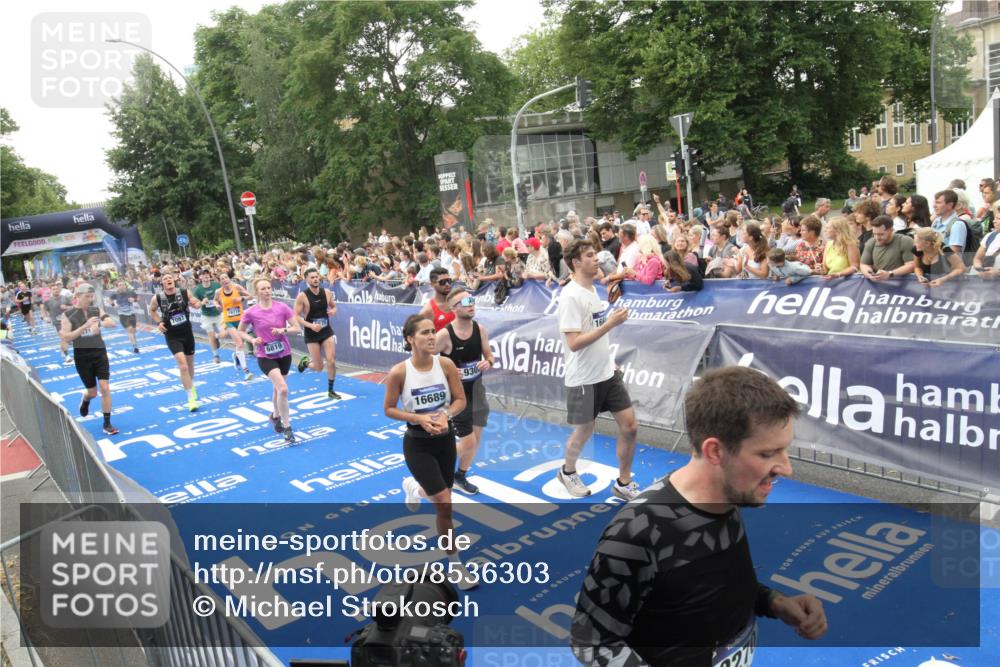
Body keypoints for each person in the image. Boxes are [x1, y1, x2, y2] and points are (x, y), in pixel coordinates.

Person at [570, 366, 827, 666]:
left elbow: (710, 588)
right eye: (768, 454)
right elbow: (592, 644)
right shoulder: (638, 532)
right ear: (715, 451)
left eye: (784, 451)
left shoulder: (728, 496)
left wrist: (775, 603)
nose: (786, 468)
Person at [382, 314, 475, 589]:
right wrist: (418, 418)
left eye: (433, 331)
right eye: (424, 333)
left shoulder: (445, 364)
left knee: (441, 500)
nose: (432, 337)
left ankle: (413, 488)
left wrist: (445, 414)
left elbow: (460, 400)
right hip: (417, 443)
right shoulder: (400, 371)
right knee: (445, 504)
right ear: (410, 339)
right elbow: (388, 409)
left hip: (445, 442)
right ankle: (456, 565)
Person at [555, 239, 640, 501]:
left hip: (607, 373)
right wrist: (610, 324)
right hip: (583, 378)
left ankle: (624, 482)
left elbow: (594, 331)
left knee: (630, 426)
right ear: (576, 262)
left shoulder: (592, 289)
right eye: (590, 255)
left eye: (595, 254)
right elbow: (574, 342)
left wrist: (609, 359)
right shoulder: (570, 296)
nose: (596, 259)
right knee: (585, 430)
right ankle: (567, 472)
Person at [435, 288, 495, 495]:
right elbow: (424, 360)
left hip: (478, 391)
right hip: (456, 396)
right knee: (468, 442)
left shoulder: (480, 329)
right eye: (466, 301)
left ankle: (460, 475)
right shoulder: (444, 335)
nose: (471, 304)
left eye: (473, 300)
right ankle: (434, 468)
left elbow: (489, 355)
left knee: (476, 440)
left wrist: (488, 362)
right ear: (453, 308)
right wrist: (448, 372)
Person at [238, 278, 300, 443]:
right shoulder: (251, 312)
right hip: (265, 356)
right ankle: (287, 427)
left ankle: (275, 416)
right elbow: (241, 332)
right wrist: (252, 341)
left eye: (268, 288)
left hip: (284, 353)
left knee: (277, 390)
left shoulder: (282, 307)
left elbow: (296, 327)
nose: (267, 291)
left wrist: (283, 329)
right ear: (257, 292)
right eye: (263, 289)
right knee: (283, 389)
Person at [61, 284, 119, 435]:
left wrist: (99, 323)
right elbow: (66, 337)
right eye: (87, 296)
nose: (90, 299)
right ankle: (86, 399)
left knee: (105, 387)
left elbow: (112, 323)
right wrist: (85, 327)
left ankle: (107, 423)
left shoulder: (96, 310)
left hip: (99, 352)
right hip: (82, 355)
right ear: (77, 297)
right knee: (92, 392)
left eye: (92, 296)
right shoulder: (68, 314)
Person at [148, 272, 202, 412]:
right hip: (171, 335)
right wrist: (159, 322)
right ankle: (190, 398)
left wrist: (198, 303)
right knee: (183, 366)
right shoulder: (158, 297)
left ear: (174, 280)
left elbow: (195, 302)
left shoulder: (184, 292)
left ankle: (191, 384)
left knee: (190, 363)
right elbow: (152, 311)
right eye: (165, 279)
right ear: (163, 284)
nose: (168, 280)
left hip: (187, 332)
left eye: (170, 278)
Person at [294, 268, 341, 400]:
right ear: (306, 280)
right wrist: (311, 326)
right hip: (312, 333)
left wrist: (333, 311)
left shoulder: (326, 292)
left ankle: (331, 390)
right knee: (319, 367)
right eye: (312, 277)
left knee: (331, 360)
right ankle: (305, 363)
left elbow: (334, 306)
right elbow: (296, 316)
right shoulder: (302, 296)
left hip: (326, 331)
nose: (315, 279)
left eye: (316, 277)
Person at [215, 270, 254, 381]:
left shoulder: (236, 287)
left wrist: (241, 298)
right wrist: (217, 305)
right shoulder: (218, 291)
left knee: (240, 343)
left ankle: (236, 356)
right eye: (222, 279)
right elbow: (214, 301)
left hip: (241, 319)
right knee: (240, 343)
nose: (224, 280)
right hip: (229, 320)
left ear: (229, 279)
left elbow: (250, 296)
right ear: (220, 282)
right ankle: (246, 371)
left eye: (226, 277)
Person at [860, 215, 915, 281]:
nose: (877, 237)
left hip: (901, 284)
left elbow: (911, 265)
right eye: (874, 234)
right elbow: (864, 264)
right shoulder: (871, 242)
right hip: (878, 285)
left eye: (881, 234)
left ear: (891, 230)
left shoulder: (904, 241)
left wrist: (890, 274)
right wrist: (869, 273)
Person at [192, 268, 223, 363]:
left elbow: (223, 297)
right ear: (200, 277)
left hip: (218, 314)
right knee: (211, 336)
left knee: (223, 333)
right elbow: (196, 306)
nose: (206, 276)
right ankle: (216, 355)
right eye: (203, 274)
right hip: (206, 316)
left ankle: (217, 338)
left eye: (207, 274)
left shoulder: (216, 285)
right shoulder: (197, 290)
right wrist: (202, 302)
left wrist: (219, 303)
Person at [43, 281, 73, 363]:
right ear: (51, 290)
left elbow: (73, 307)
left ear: (59, 289)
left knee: (69, 338)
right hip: (57, 322)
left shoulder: (64, 298)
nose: (56, 290)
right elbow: (43, 308)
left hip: (68, 320)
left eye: (57, 289)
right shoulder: (48, 301)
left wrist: (66, 307)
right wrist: (45, 317)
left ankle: (63, 349)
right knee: (64, 337)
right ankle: (67, 356)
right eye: (54, 289)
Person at [417, 267, 455, 332]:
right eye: (442, 282)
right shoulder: (427, 311)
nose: (447, 284)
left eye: (449, 281)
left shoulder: (458, 301)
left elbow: (473, 303)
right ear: (432, 284)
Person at [971, 201, 1000, 278]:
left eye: (998, 219)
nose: (994, 221)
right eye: (995, 218)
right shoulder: (990, 236)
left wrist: (998, 273)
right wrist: (981, 269)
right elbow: (977, 258)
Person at [111, 278, 140, 353]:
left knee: (133, 331)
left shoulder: (131, 292)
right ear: (117, 287)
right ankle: (135, 347)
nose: (121, 286)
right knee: (130, 329)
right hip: (122, 315)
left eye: (123, 285)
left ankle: (135, 344)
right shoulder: (115, 294)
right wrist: (113, 305)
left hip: (132, 314)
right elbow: (109, 299)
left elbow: (138, 298)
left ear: (125, 286)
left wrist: (134, 300)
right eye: (120, 285)